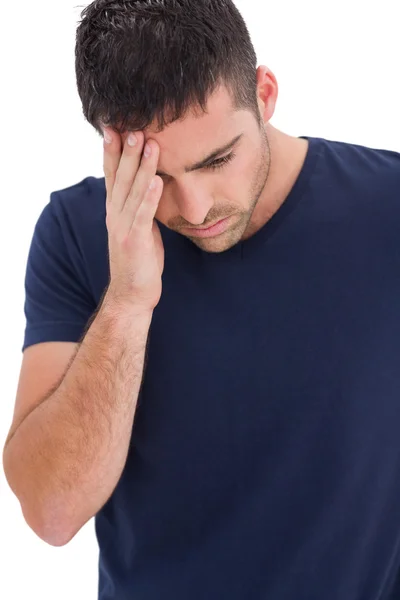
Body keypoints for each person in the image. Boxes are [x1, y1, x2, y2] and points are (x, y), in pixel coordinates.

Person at [3, 0, 400, 598]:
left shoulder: (388, 208)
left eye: (218, 160)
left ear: (264, 94)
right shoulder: (75, 230)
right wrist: (128, 301)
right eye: (155, 175)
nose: (193, 210)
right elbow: (52, 514)